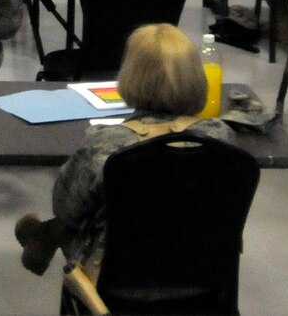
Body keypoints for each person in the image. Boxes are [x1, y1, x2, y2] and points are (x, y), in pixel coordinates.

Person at [13, 22, 231, 277]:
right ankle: (43, 238)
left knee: (86, 210)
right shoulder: (221, 139)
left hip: (118, 279)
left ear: (131, 75)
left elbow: (64, 207)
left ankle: (44, 238)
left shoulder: (104, 145)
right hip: (202, 275)